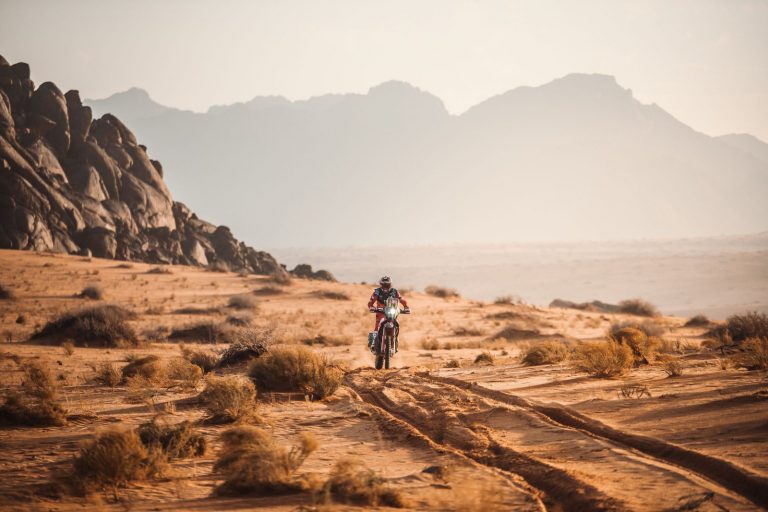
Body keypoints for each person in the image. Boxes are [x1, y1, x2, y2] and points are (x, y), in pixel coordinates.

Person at [367, 276, 410, 352]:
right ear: (381, 285)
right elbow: (372, 300)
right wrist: (371, 307)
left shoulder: (394, 291)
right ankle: (374, 342)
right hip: (380, 312)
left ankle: (395, 342)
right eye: (384, 285)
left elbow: (401, 299)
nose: (385, 286)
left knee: (397, 324)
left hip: (392, 312)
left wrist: (406, 307)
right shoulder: (377, 291)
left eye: (387, 285)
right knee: (377, 326)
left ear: (390, 285)